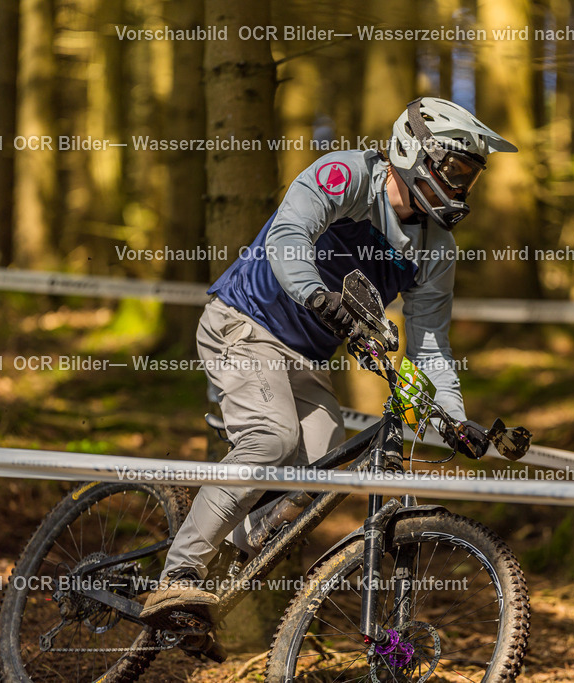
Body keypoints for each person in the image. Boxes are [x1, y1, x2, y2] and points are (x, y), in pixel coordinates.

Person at [140, 97, 517, 632]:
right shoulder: (347, 176)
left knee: (318, 472)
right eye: (453, 170)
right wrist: (318, 296)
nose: (459, 187)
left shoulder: (436, 249)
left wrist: (452, 418)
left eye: (469, 177)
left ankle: (223, 552)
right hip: (243, 322)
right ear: (414, 152)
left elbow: (430, 344)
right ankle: (177, 575)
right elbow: (287, 236)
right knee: (271, 437)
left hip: (303, 357)